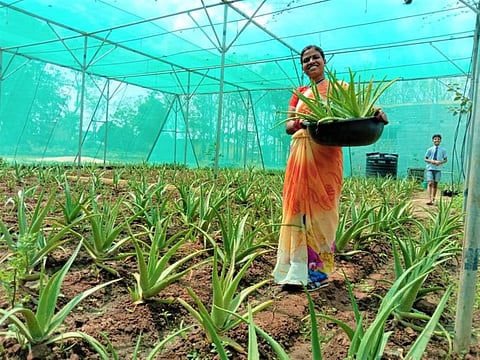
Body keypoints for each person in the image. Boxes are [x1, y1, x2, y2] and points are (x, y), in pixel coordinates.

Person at [272, 45, 388, 291]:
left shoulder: (339, 89)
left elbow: (363, 111)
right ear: (302, 67)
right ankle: (294, 269)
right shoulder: (300, 93)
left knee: (323, 210)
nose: (311, 62)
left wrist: (377, 114)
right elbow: (288, 126)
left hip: (327, 155)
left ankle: (317, 274)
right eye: (305, 60)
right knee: (297, 210)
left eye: (315, 58)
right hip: (301, 154)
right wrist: (302, 122)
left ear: (324, 61)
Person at [424, 134, 447, 205]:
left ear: (440, 140)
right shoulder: (430, 149)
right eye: (435, 139)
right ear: (433, 140)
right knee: (430, 183)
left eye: (438, 139)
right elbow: (425, 159)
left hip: (438, 169)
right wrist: (432, 161)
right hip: (430, 168)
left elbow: (445, 159)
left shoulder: (443, 150)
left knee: (435, 184)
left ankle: (433, 199)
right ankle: (429, 199)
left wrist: (440, 162)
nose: (436, 140)